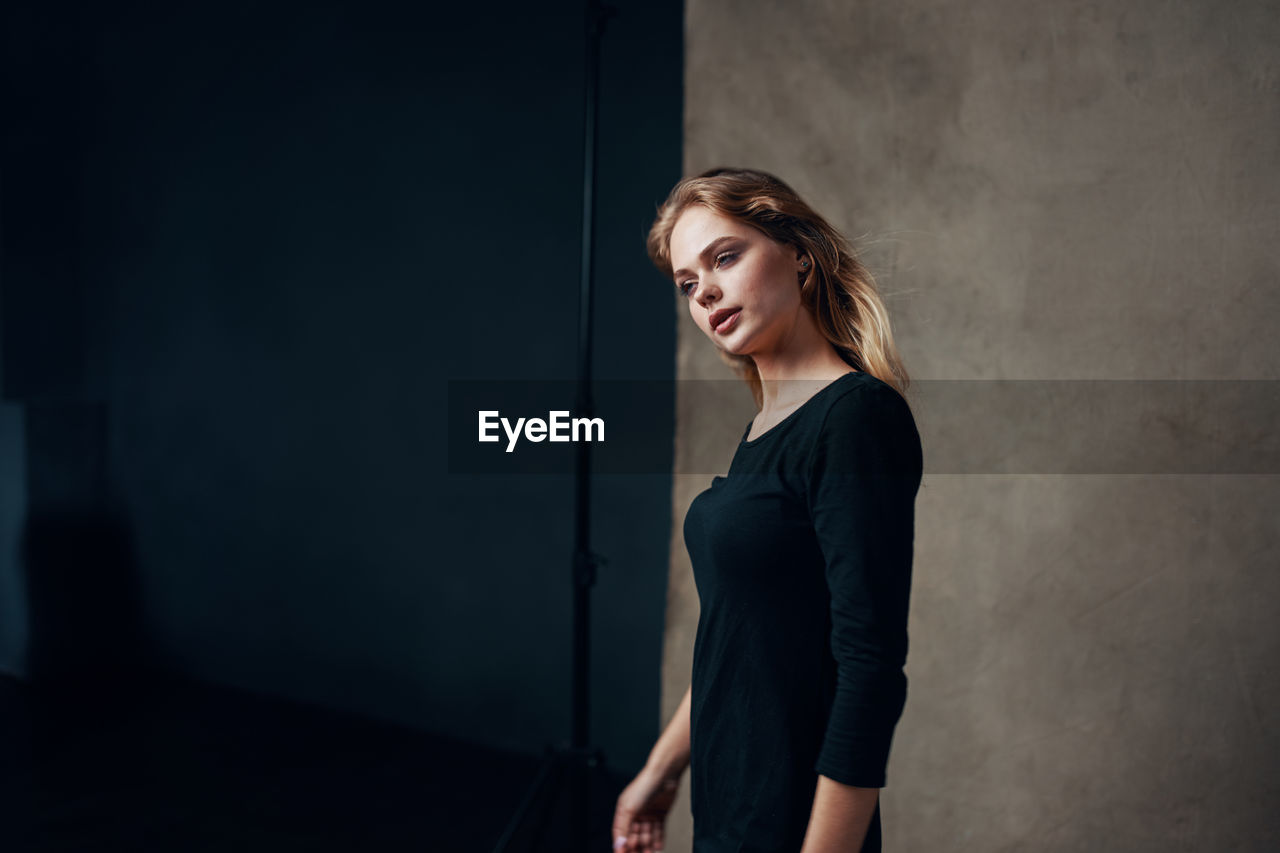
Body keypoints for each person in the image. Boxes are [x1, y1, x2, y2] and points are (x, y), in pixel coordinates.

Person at [611, 167, 923, 852]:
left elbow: (868, 669)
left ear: (801, 255)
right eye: (688, 284)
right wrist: (660, 773)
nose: (707, 293)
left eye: (725, 256)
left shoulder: (854, 418)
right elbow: (744, 637)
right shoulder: (763, 429)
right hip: (727, 810)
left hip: (794, 824)